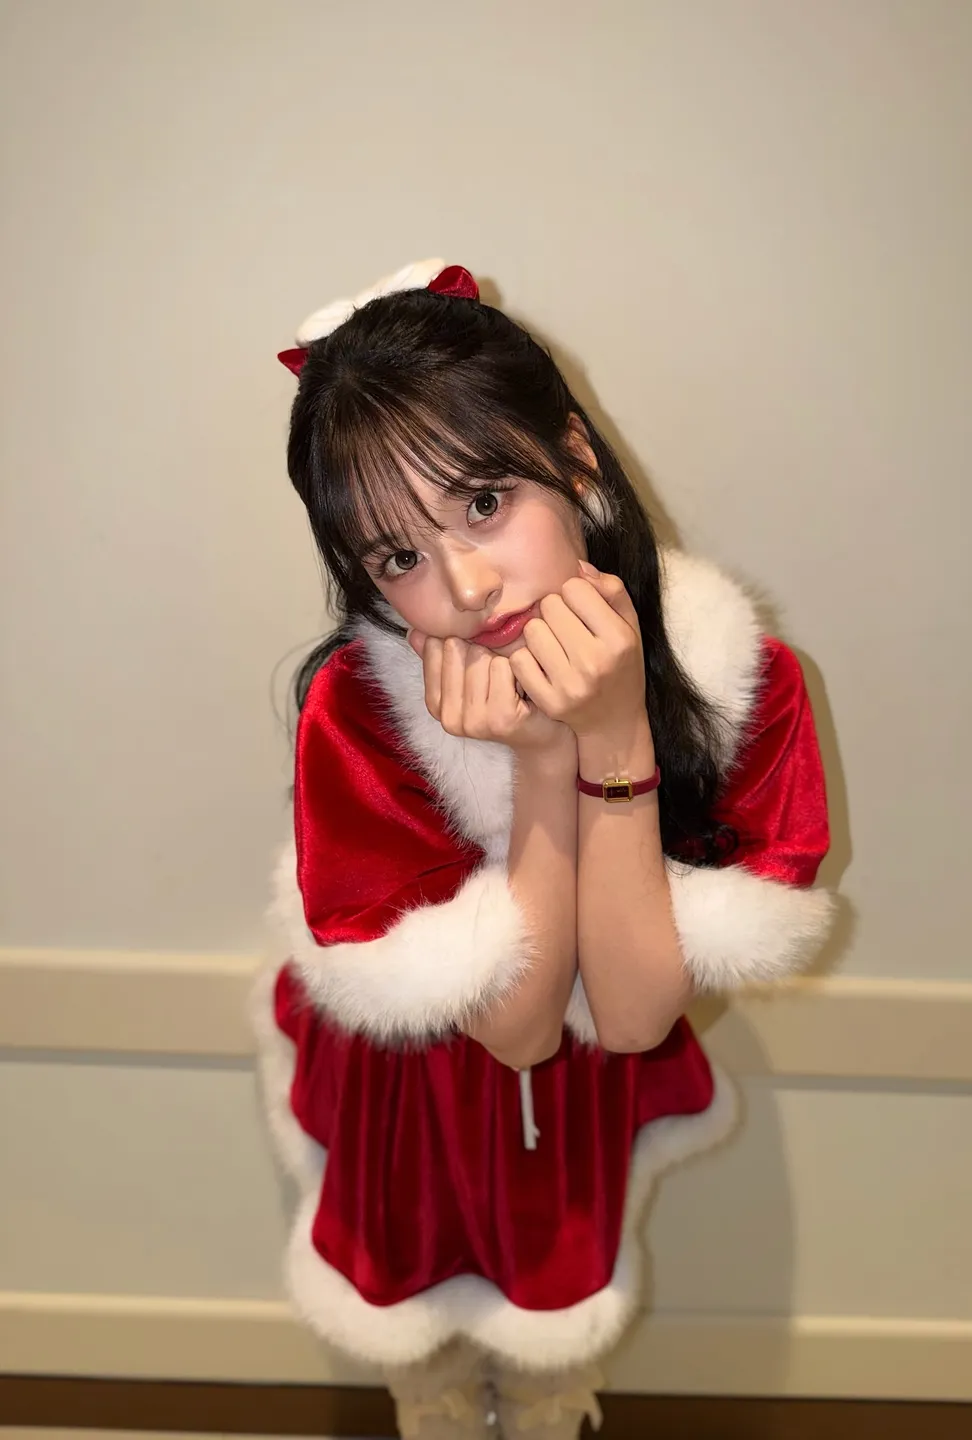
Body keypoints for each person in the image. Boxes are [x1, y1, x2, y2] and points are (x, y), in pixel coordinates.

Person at [251, 259, 834, 1439]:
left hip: (582, 1089)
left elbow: (628, 1019)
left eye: (483, 501)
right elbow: (514, 1029)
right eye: (397, 557)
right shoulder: (360, 715)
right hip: (412, 1086)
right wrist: (533, 764)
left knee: (553, 1365)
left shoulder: (741, 679)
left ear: (575, 459)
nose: (465, 584)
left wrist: (613, 736)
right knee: (420, 1348)